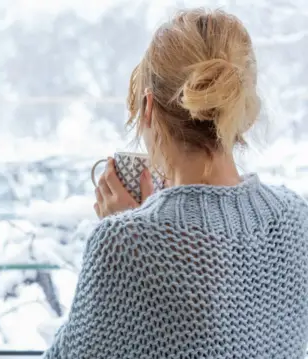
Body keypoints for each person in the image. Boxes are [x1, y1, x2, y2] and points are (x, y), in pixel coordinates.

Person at [43, 8, 308, 359]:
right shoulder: (297, 220)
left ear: (149, 107)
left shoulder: (121, 245)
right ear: (242, 107)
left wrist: (129, 233)